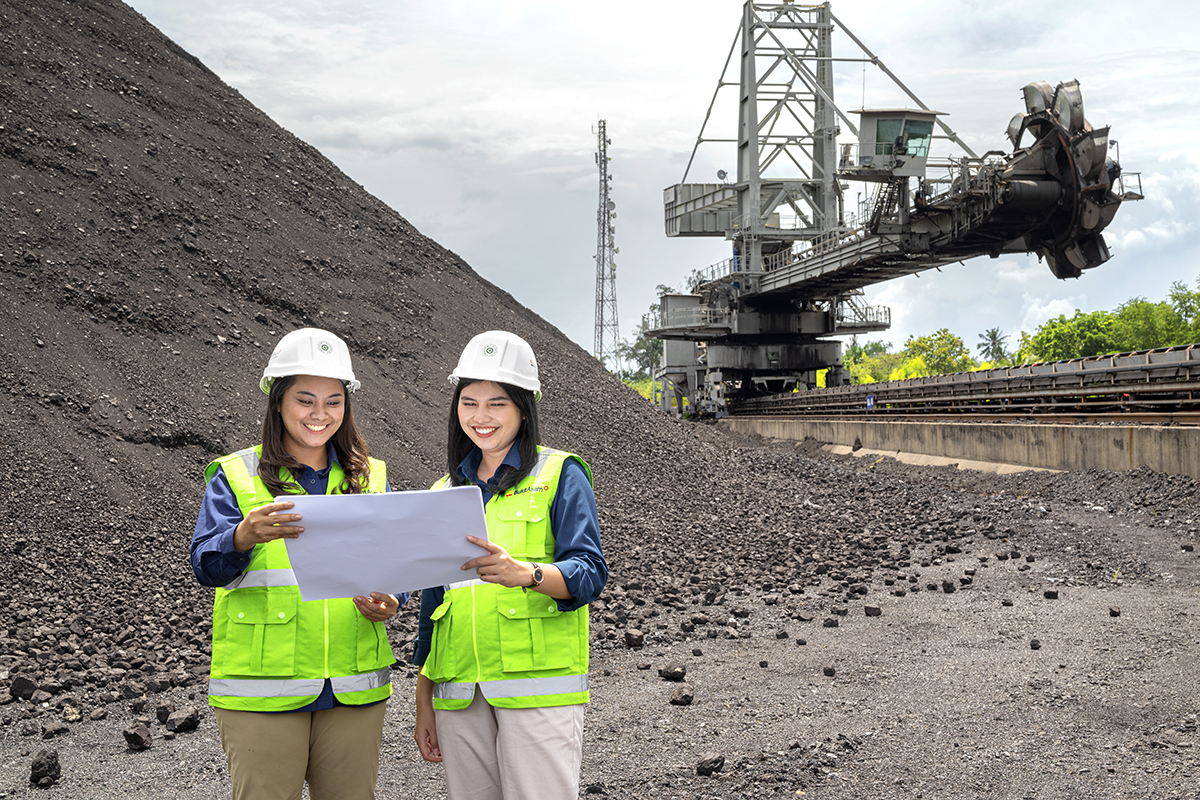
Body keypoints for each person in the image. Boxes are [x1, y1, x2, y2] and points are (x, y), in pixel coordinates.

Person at [191, 327, 405, 800]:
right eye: (305, 400)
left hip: (353, 689)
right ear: (278, 403)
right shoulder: (237, 475)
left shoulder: (371, 478)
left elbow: (394, 565)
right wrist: (242, 536)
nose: (320, 414)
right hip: (264, 691)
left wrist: (392, 600)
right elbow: (206, 566)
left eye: (334, 401)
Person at [412, 330, 608, 800]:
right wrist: (423, 697)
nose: (480, 417)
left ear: (524, 408)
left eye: (497, 403)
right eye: (469, 403)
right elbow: (434, 601)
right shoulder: (444, 491)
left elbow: (589, 572)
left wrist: (530, 575)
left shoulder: (559, 473)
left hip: (536, 689)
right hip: (459, 690)